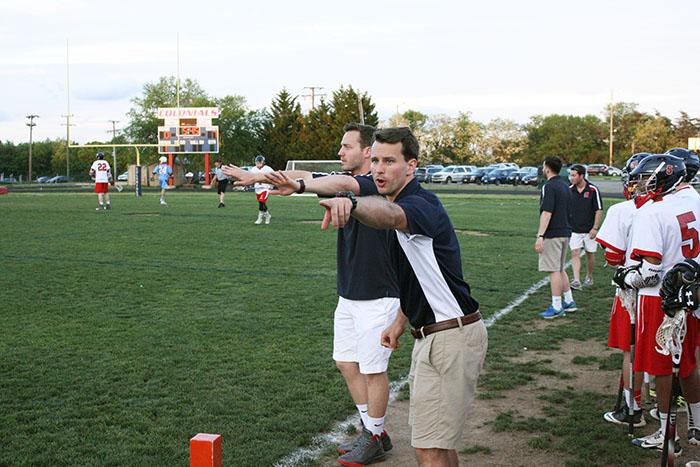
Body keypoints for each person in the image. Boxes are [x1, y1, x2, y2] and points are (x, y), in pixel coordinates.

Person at [318, 127, 488, 467]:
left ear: (411, 166)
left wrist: (351, 204)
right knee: (437, 444)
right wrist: (399, 321)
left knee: (429, 448)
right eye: (376, 160)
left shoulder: (419, 205)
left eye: (390, 161)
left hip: (450, 337)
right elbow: (418, 279)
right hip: (435, 335)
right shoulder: (399, 202)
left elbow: (391, 217)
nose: (379, 169)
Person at [256, 124, 400, 466]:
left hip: (378, 294)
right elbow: (310, 173)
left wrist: (301, 186)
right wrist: (257, 176)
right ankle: (373, 431)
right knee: (346, 363)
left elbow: (343, 184)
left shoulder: (372, 184)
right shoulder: (347, 179)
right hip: (349, 293)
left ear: (367, 152)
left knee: (372, 370)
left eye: (346, 146)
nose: (339, 152)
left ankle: (374, 436)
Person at [613, 154, 700, 454]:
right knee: (687, 364)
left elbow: (650, 275)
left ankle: (667, 435)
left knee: (663, 369)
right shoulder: (694, 201)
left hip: (660, 300)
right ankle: (697, 425)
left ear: (662, 177)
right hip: (692, 293)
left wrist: (626, 279)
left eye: (645, 177)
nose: (639, 184)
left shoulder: (653, 212)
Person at [596, 153, 649, 428]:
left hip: (635, 288)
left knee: (632, 350)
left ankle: (633, 406)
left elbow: (613, 257)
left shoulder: (624, 210)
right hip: (676, 288)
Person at [535, 156, 576, 319]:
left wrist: (540, 236)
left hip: (553, 233)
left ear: (547, 168)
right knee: (559, 268)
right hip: (565, 231)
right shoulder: (565, 186)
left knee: (553, 271)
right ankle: (569, 301)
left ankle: (557, 305)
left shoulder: (549, 186)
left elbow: (547, 212)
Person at [568, 164, 603, 289]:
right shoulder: (569, 190)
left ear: (581, 176)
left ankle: (589, 276)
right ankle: (576, 280)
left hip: (589, 230)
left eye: (573, 175)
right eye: (570, 175)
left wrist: (595, 228)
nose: (571, 178)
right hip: (574, 229)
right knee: (575, 253)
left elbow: (598, 209)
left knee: (590, 254)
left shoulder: (593, 190)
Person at [251, 155, 274, 224]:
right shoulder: (253, 169)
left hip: (265, 188)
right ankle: (267, 215)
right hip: (257, 188)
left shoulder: (268, 169)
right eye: (257, 162)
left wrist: (272, 185)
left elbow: (274, 176)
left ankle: (260, 217)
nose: (258, 164)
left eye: (260, 162)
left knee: (261, 201)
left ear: (263, 162)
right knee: (261, 203)